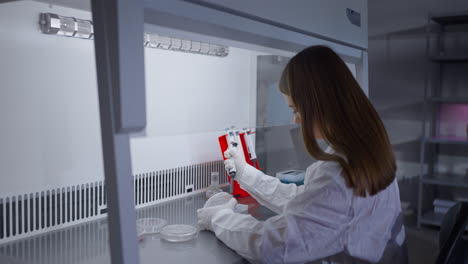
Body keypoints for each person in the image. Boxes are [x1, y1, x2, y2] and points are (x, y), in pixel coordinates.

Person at [197, 45, 407, 263]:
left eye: (295, 110)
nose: (295, 120)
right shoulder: (364, 149)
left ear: (319, 103)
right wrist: (246, 174)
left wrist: (218, 218)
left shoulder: (340, 173)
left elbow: (275, 246)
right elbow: (311, 204)